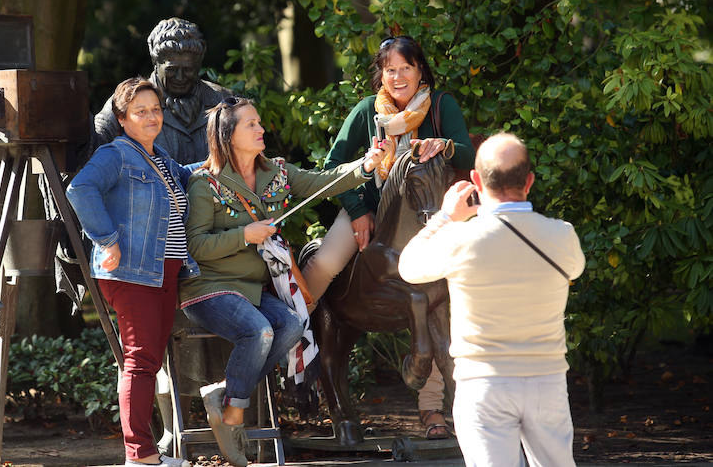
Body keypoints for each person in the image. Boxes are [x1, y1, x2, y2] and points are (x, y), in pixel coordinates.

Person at [180, 97, 386, 467]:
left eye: (260, 123)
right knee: (260, 332)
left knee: (292, 325)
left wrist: (365, 165)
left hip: (254, 289)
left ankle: (229, 393)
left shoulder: (277, 172)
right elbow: (195, 245)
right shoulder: (203, 183)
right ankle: (232, 415)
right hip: (209, 289)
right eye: (252, 125)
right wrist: (246, 234)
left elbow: (324, 183)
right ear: (228, 135)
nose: (262, 130)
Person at [301, 34, 475, 439]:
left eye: (405, 69)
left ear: (420, 71)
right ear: (381, 74)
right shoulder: (367, 111)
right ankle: (294, 333)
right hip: (371, 211)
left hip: (431, 216)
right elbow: (332, 165)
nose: (397, 77)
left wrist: (445, 145)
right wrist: (359, 212)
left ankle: (433, 410)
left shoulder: (442, 106)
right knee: (325, 262)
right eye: (389, 69)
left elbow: (466, 154)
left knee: (443, 299)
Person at [398, 132, 585, 466]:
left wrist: (445, 217)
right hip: (547, 380)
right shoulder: (562, 235)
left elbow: (409, 267)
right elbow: (576, 268)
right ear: (529, 181)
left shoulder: (460, 238)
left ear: (475, 181)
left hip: (483, 384)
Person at [66, 77, 196, 467]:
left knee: (150, 361)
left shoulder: (158, 157)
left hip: (162, 271)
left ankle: (148, 453)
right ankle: (139, 457)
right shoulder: (117, 154)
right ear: (122, 118)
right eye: (141, 111)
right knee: (140, 361)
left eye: (156, 109)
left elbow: (192, 175)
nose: (152, 116)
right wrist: (107, 239)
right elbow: (80, 189)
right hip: (130, 271)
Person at [96, 17, 230, 163]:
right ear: (156, 63)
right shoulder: (127, 99)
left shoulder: (223, 100)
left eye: (188, 70)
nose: (180, 77)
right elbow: (97, 139)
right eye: (171, 70)